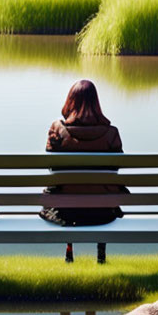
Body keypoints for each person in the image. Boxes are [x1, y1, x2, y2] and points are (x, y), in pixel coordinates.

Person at [40, 79, 129, 263]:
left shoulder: (57, 129)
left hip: (66, 210)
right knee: (101, 188)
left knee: (66, 189)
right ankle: (101, 254)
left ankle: (69, 250)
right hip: (103, 211)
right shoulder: (111, 133)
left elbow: (52, 167)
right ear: (96, 103)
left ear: (70, 101)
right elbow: (115, 168)